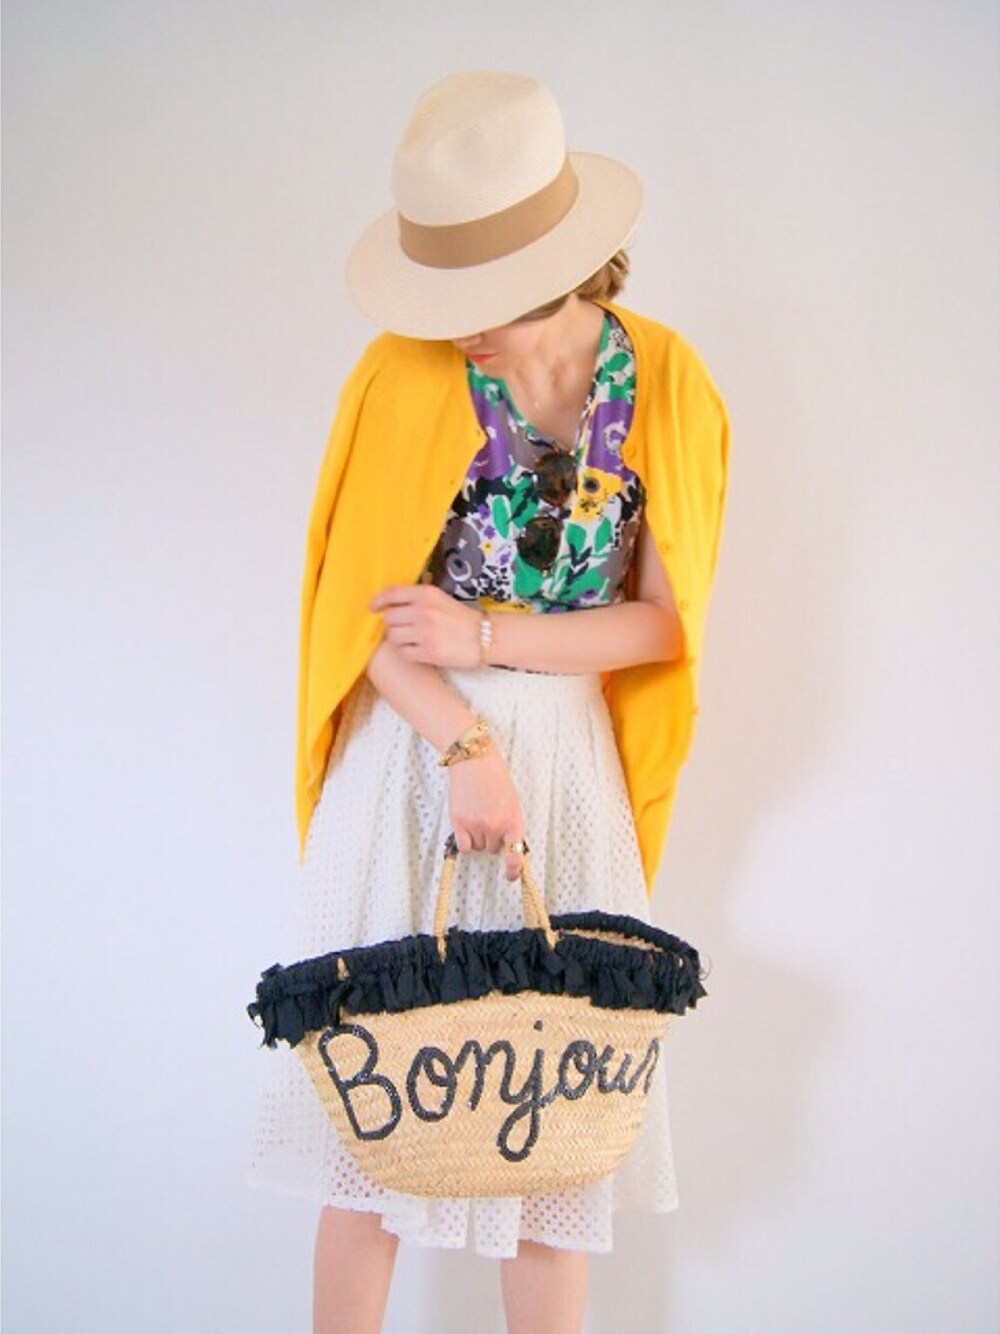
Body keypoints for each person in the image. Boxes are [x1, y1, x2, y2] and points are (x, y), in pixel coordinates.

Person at [247, 70, 730, 1334]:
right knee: (372, 1125)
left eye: (477, 295)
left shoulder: (669, 383)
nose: (451, 325)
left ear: (556, 269)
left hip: (568, 764)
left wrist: (489, 636)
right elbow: (354, 614)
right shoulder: (401, 375)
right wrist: (464, 735)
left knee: (556, 1133)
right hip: (414, 753)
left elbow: (661, 624)